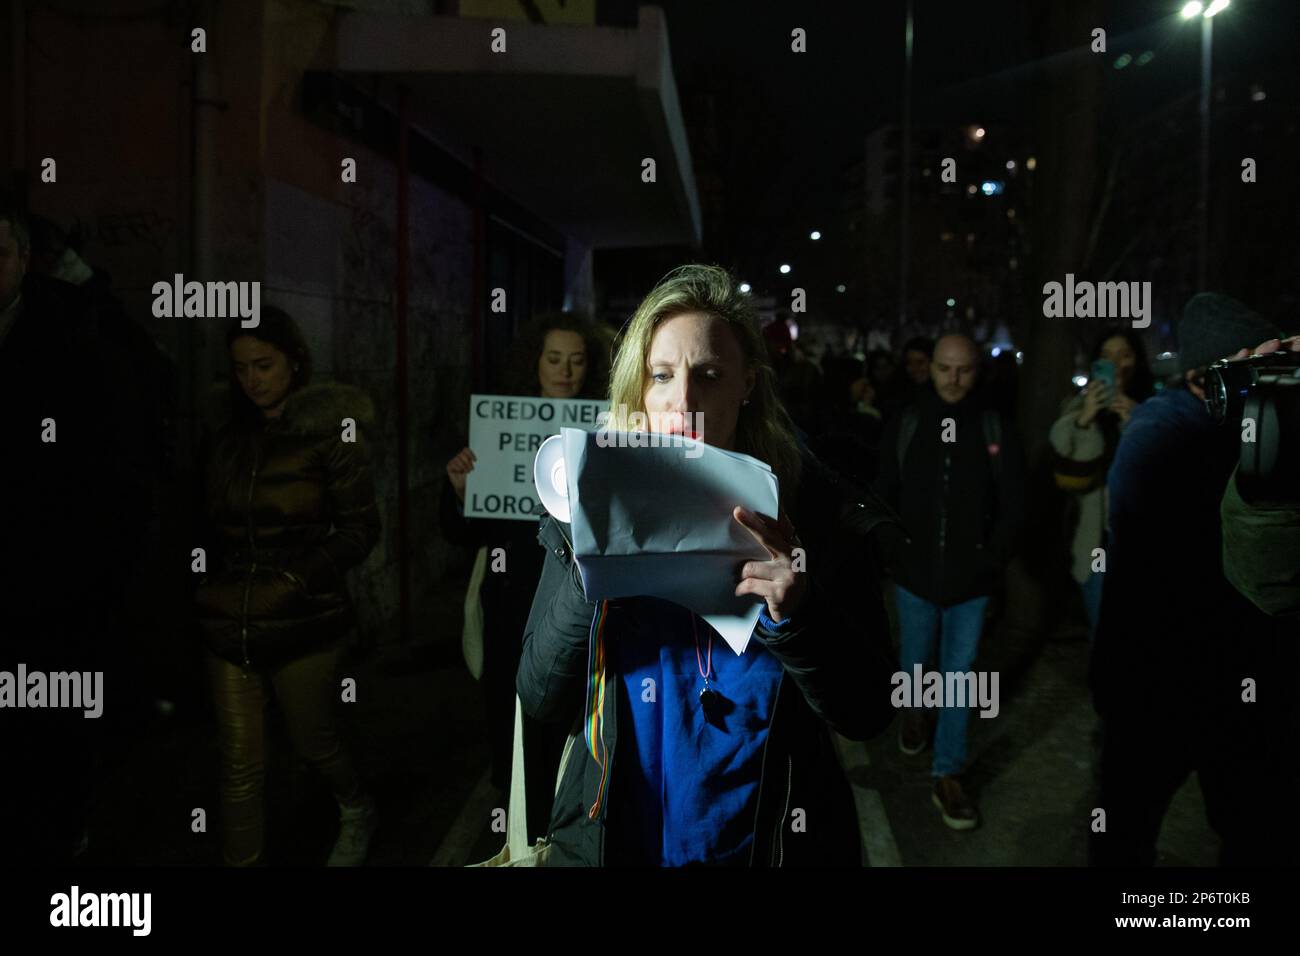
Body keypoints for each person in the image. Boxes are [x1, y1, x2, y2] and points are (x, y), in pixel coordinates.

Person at [517, 264, 897, 866]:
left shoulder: (818, 515)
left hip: (763, 847)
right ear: (636, 388)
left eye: (710, 375)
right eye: (662, 375)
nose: (684, 400)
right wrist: (587, 570)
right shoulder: (583, 505)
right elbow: (537, 695)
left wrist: (798, 614)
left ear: (748, 383)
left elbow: (870, 709)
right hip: (618, 846)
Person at [1089, 293, 1296, 867]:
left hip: (1234, 679)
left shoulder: (1247, 425)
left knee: (1251, 825)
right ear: (1209, 375)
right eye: (1253, 368)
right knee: (1127, 823)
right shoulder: (1164, 429)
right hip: (1159, 677)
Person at [194, 307, 381, 866]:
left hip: (306, 618)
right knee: (240, 763)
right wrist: (202, 587)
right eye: (241, 367)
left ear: (294, 363)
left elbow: (359, 528)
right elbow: (198, 523)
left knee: (314, 742)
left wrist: (296, 579)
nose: (253, 379)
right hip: (230, 619)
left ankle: (356, 807)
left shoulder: (332, 433)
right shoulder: (226, 437)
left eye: (264, 364)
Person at [442, 310, 607, 842]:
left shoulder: (607, 427)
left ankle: (567, 809)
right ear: (534, 363)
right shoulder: (499, 430)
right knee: (507, 702)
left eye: (577, 361)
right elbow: (465, 532)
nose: (565, 371)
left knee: (568, 704)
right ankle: (515, 809)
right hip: (510, 594)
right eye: (554, 359)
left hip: (575, 597)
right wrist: (464, 494)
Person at [873, 334, 1025, 830]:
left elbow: (1013, 501)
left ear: (977, 370)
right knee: (915, 662)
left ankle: (948, 773)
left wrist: (993, 558)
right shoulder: (908, 420)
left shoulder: (994, 423)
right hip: (915, 577)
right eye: (944, 369)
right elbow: (883, 491)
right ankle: (914, 711)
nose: (954, 379)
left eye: (964, 370)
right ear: (930, 368)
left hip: (972, 583)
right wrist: (893, 550)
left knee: (959, 677)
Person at [1048, 327, 1155, 640]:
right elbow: (1071, 481)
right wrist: (1085, 422)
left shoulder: (1155, 408)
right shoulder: (1076, 412)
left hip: (1145, 542)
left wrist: (1138, 423)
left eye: (1125, 355)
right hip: (1096, 542)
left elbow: (1158, 476)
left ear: (1137, 361)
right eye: (1107, 357)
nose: (1117, 364)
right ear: (1095, 364)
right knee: (1105, 636)